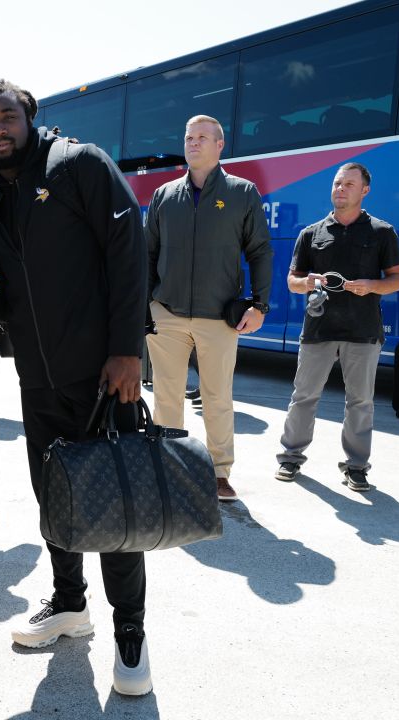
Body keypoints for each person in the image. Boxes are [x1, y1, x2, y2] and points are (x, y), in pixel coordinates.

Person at [0, 79, 152, 697]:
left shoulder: (79, 165)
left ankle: (131, 635)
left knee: (115, 507)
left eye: (6, 116)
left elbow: (129, 251)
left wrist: (127, 350)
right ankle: (70, 606)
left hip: (104, 377)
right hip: (38, 379)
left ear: (29, 116)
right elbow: (18, 281)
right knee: (57, 498)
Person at [143, 114, 273, 502]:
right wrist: (145, 304)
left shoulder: (242, 192)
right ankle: (169, 465)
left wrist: (260, 304)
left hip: (220, 316)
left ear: (220, 145)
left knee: (217, 396)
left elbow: (260, 251)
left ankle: (218, 473)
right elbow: (147, 254)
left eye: (202, 137)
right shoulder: (164, 195)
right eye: (188, 137)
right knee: (166, 396)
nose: (193, 142)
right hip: (166, 312)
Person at [275, 162, 399, 491]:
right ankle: (290, 457)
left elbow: (397, 280)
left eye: (348, 184)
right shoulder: (311, 233)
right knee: (304, 397)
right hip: (318, 328)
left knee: (360, 401)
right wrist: (309, 282)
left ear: (364, 190)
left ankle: (356, 467)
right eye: (336, 183)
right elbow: (291, 281)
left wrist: (372, 286)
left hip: (363, 331)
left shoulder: (382, 232)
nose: (340, 189)